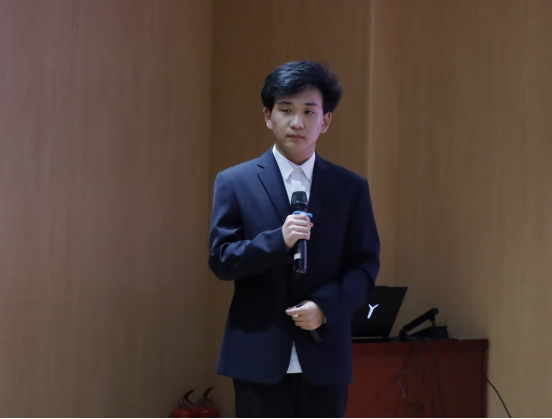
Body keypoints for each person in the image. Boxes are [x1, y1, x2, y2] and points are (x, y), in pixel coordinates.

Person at [209, 61, 380, 418]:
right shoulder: (235, 182)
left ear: (325, 121)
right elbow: (222, 259)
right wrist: (278, 241)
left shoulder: (350, 188)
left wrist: (325, 307)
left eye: (308, 111)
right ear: (268, 116)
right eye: (285, 110)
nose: (297, 122)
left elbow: (364, 266)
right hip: (257, 356)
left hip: (325, 354)